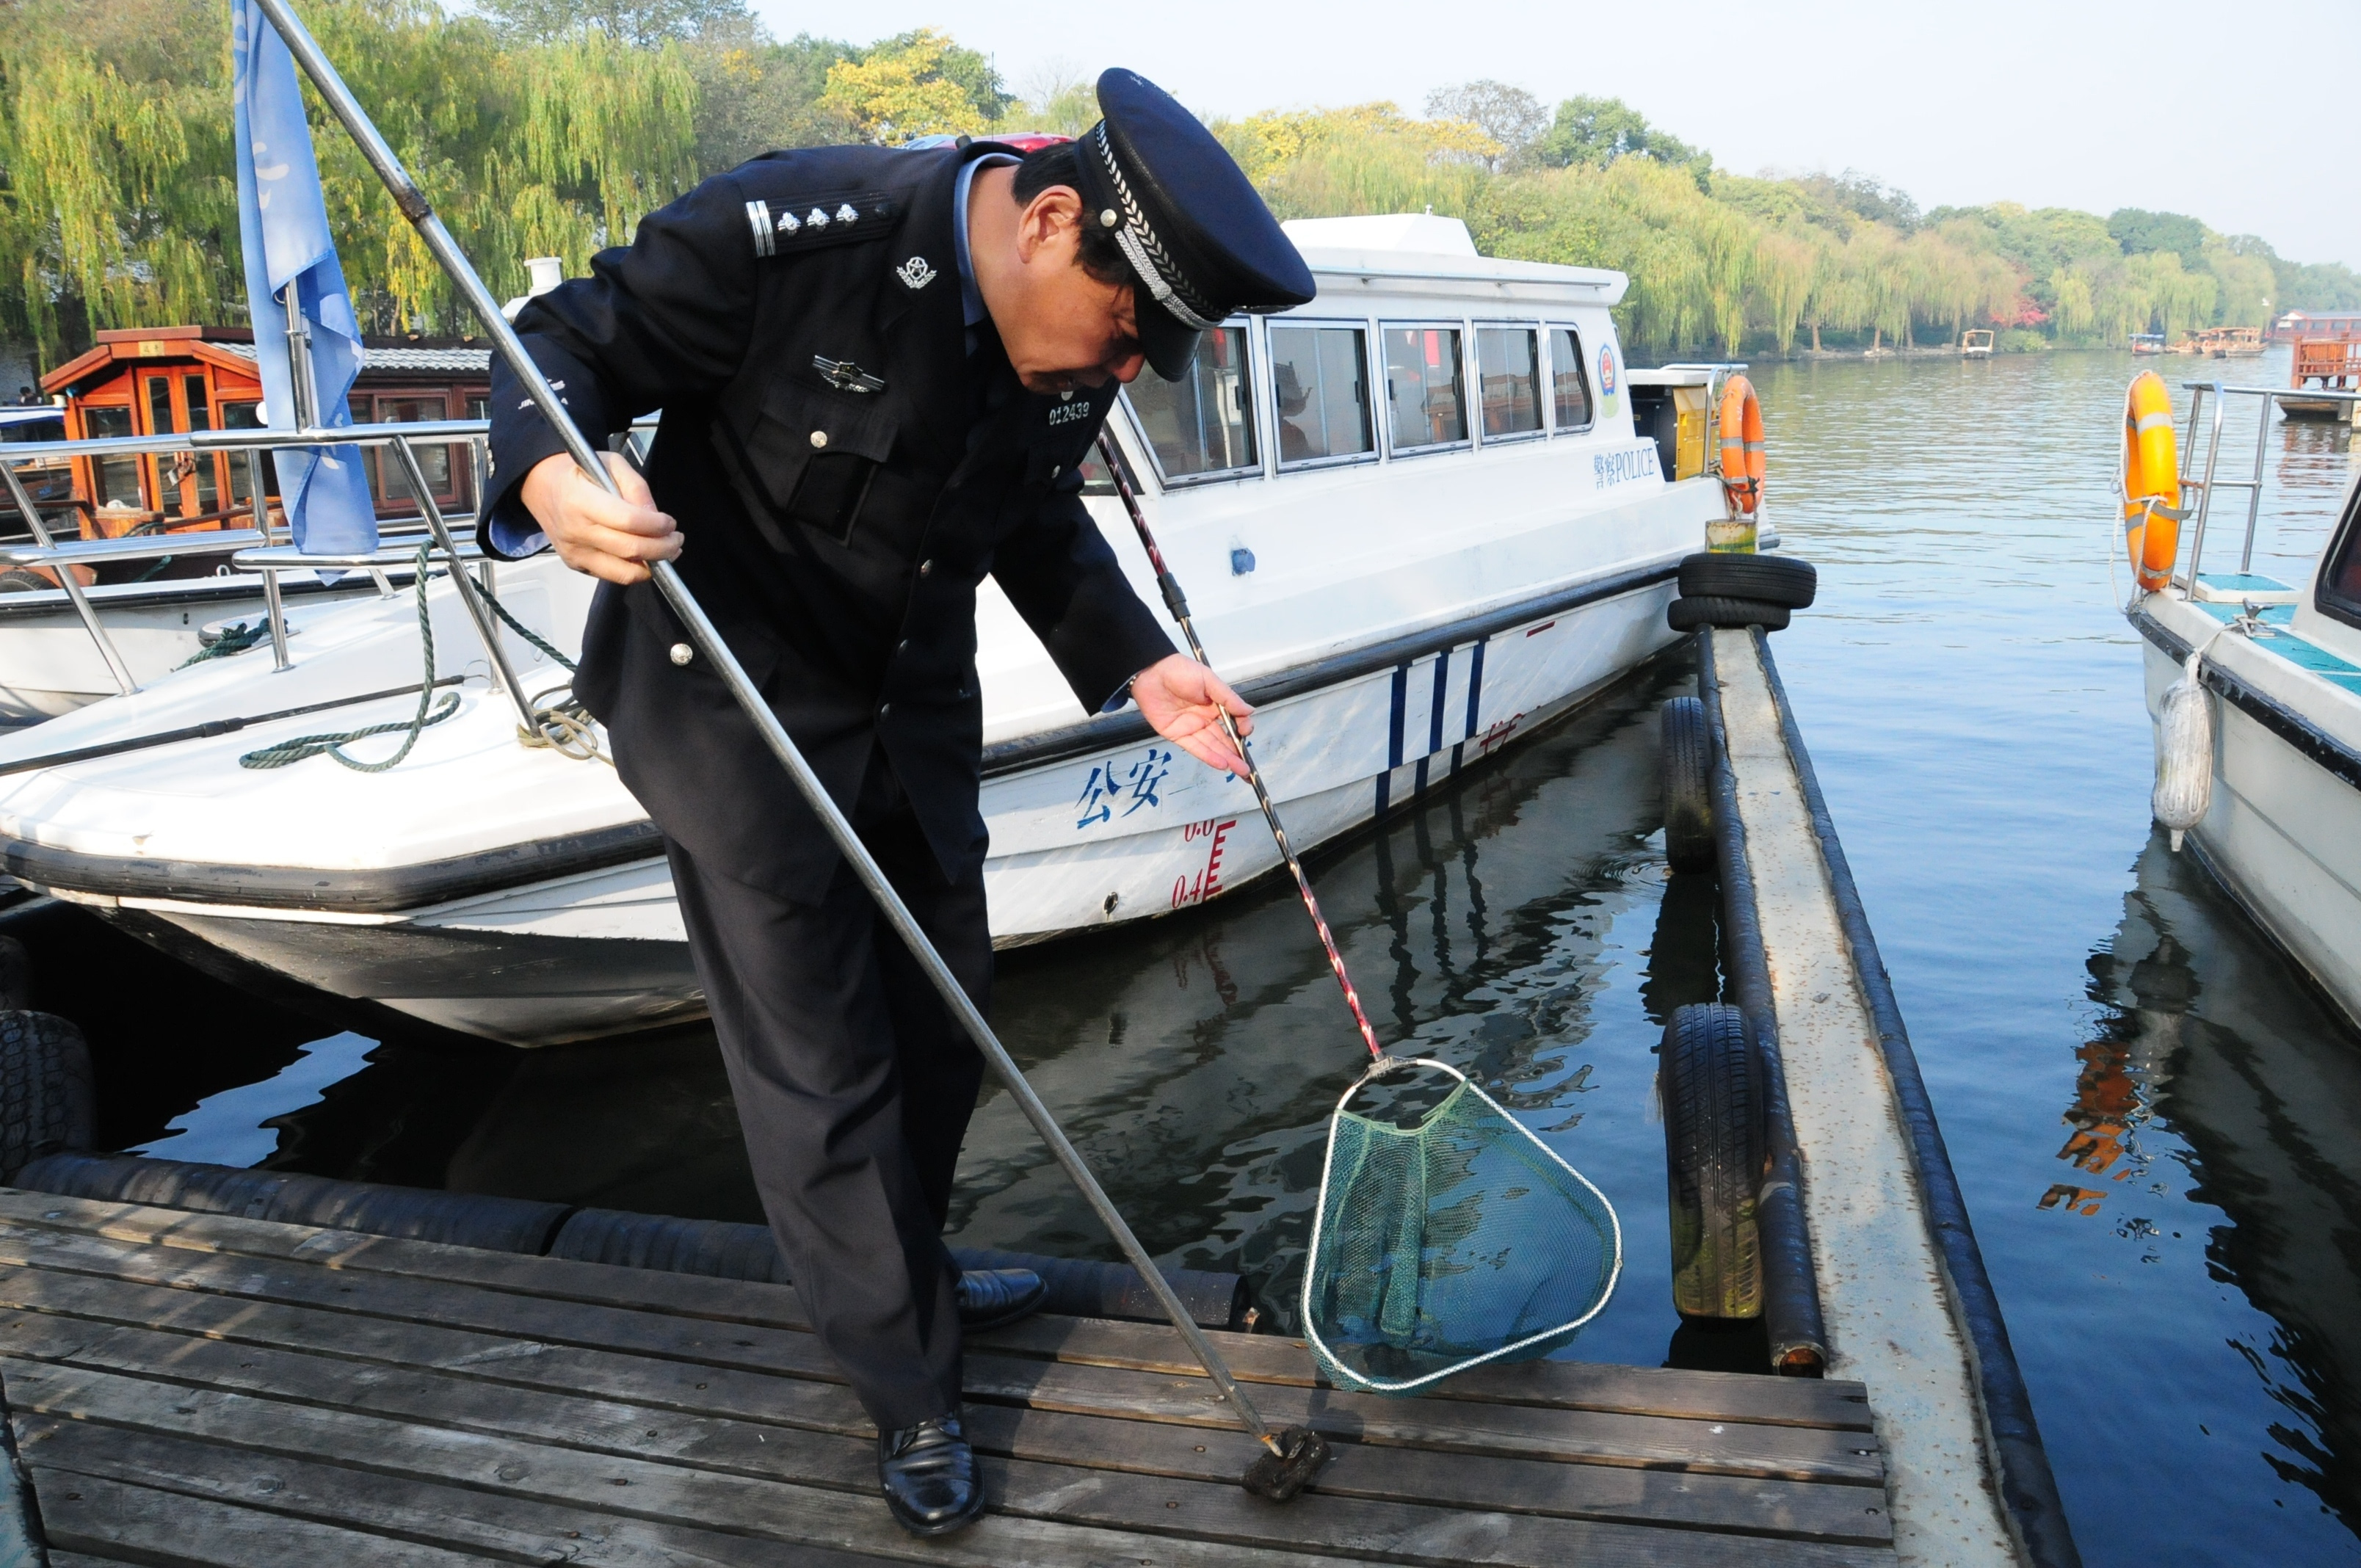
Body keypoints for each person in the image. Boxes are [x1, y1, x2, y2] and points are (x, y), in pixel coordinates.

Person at [482, 69, 1315, 1538]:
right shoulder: (793, 234)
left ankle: (904, 1264)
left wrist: (1140, 665)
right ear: (1052, 223)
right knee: (825, 1066)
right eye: (1131, 332)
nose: (1129, 375)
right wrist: (554, 474)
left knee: (942, 1025)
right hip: (734, 714)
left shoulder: (1054, 359)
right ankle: (905, 1379)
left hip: (908, 716)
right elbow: (563, 342)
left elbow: (1030, 522)